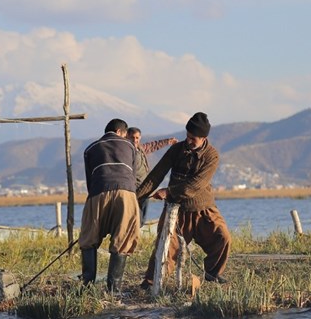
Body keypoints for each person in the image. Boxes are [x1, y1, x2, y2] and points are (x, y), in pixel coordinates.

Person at [136, 112, 231, 289]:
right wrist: (137, 197)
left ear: (203, 138)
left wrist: (168, 191)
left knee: (222, 237)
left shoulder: (212, 156)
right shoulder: (176, 150)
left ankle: (212, 273)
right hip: (176, 209)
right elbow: (155, 176)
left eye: (192, 138)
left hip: (204, 209)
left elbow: (196, 185)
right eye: (187, 136)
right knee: (165, 247)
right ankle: (151, 282)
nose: (188, 141)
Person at [80, 118, 140, 293]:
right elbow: (133, 175)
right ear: (121, 132)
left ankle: (87, 287)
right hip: (126, 193)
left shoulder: (90, 149)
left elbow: (89, 180)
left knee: (89, 238)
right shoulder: (130, 147)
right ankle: (114, 290)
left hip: (98, 191)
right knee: (123, 239)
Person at [126, 127, 178, 225]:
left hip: (145, 186)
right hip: (134, 188)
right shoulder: (126, 151)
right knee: (134, 215)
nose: (135, 140)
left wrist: (168, 141)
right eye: (132, 138)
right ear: (127, 137)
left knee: (142, 217)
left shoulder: (140, 148)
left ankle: (137, 232)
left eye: (137, 138)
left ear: (140, 138)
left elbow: (153, 146)